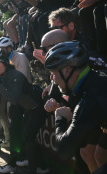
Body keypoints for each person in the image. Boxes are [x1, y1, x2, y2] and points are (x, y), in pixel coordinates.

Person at [44, 41, 107, 173]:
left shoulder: (91, 98)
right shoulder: (92, 78)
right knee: (89, 151)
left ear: (67, 70)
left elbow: (64, 149)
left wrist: (60, 119)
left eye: (53, 73)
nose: (53, 80)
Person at [0, 49, 48, 174]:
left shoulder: (15, 75)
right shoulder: (0, 77)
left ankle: (37, 168)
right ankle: (31, 165)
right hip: (25, 108)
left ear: (5, 62)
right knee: (18, 134)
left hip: (37, 107)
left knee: (27, 137)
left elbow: (13, 98)